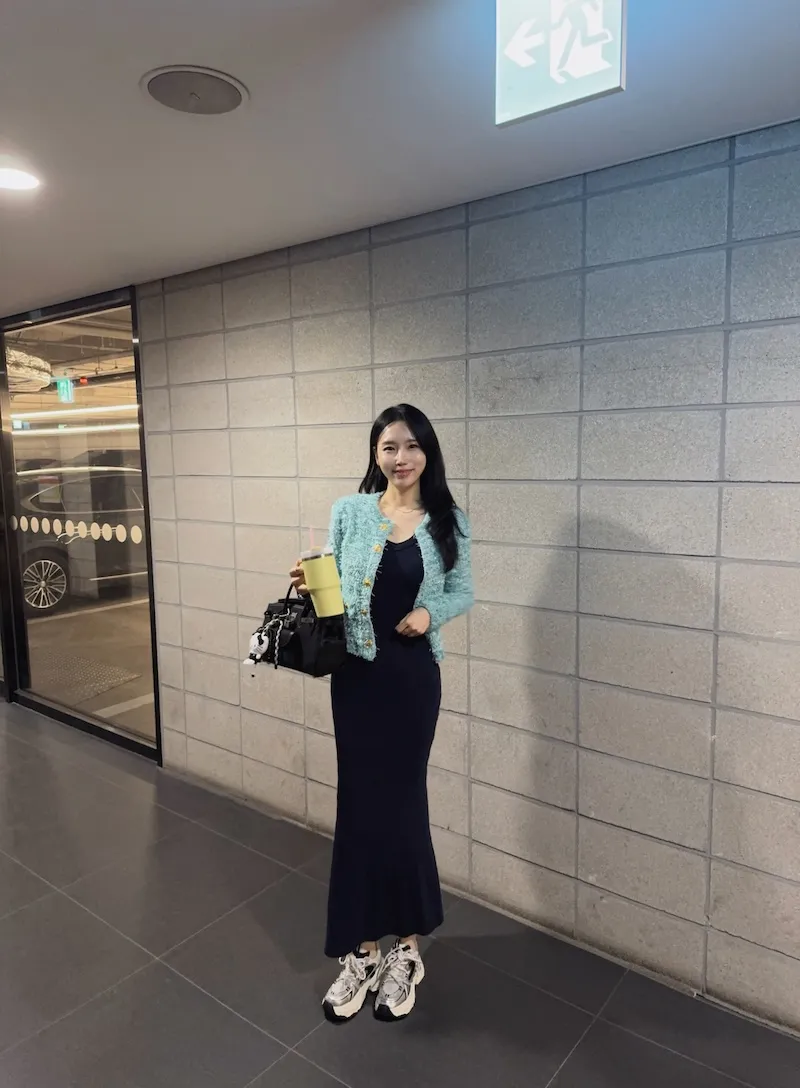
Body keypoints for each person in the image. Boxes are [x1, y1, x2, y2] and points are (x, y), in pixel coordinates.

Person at [290, 403, 473, 1024]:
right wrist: (312, 579)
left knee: (403, 805)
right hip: (358, 678)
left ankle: (406, 950)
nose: (402, 457)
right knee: (359, 807)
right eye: (390, 446)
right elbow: (334, 587)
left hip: (413, 680)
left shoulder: (447, 519)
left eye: (413, 445)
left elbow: (463, 590)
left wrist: (430, 613)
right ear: (375, 452)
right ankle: (361, 950)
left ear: (428, 452)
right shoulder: (350, 512)